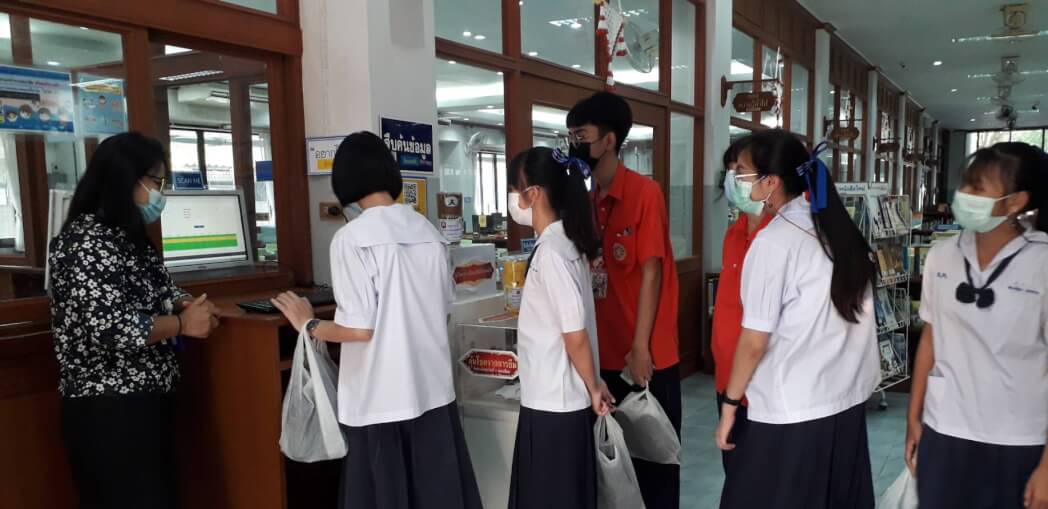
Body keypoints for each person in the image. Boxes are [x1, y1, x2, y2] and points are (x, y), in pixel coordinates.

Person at [269, 131, 482, 509]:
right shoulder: (429, 232)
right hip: (432, 393)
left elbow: (358, 328)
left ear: (345, 181)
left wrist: (307, 323)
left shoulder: (352, 238)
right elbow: (443, 308)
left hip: (380, 400)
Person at [49, 132, 220, 509]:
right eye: (157, 182)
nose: (160, 193)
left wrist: (187, 303)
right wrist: (182, 325)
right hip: (108, 410)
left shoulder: (128, 237)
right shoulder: (86, 243)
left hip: (147, 400)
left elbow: (162, 288)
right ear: (127, 180)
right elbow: (111, 328)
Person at [714, 129, 880, 509]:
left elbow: (754, 341)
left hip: (792, 411)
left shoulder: (774, 242)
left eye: (741, 172)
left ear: (771, 182)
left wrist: (730, 405)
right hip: (844, 403)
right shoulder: (837, 232)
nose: (734, 180)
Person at [905, 141, 1048, 509]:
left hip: (1019, 439)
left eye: (978, 187)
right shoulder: (942, 255)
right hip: (945, 429)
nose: (965, 194)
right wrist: (914, 417)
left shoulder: (1041, 262)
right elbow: (931, 339)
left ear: (1016, 202)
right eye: (965, 184)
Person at [567, 91, 682, 509]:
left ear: (610, 140)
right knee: (613, 467)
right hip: (603, 357)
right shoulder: (587, 200)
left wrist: (640, 347)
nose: (574, 144)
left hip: (644, 356)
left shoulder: (644, 193)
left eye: (581, 135)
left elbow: (652, 272)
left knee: (654, 462)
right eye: (570, 136)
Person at [505, 147, 614, 509]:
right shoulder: (566, 244)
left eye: (515, 190)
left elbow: (574, 334)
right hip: (559, 399)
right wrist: (593, 380)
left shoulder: (552, 253)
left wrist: (594, 385)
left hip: (554, 406)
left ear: (533, 194)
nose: (514, 200)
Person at [709, 136, 771, 473]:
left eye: (741, 171)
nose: (733, 180)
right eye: (729, 171)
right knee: (735, 473)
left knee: (760, 480)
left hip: (763, 386)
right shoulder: (734, 233)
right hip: (727, 378)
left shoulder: (781, 236)